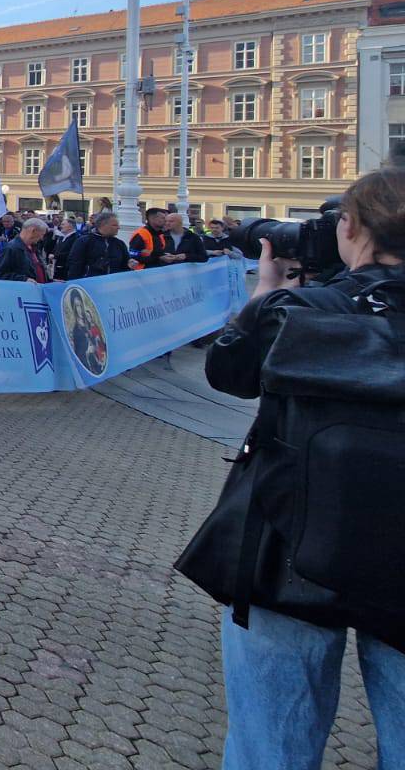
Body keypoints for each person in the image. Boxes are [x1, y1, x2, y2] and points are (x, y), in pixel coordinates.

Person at [183, 169, 405, 768]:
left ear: (349, 228)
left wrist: (265, 290)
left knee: (270, 747)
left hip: (289, 550)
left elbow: (228, 373)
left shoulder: (294, 308)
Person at [66, 210, 139, 279]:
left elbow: (125, 265)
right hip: (90, 286)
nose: (118, 228)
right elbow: (74, 265)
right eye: (114, 225)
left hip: (113, 286)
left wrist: (130, 264)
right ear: (103, 225)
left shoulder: (119, 244)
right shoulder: (84, 241)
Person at [0, 217, 51, 283]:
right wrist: (24, 279)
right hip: (23, 291)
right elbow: (0, 274)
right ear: (33, 230)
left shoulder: (34, 247)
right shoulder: (11, 248)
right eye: (42, 234)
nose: (42, 238)